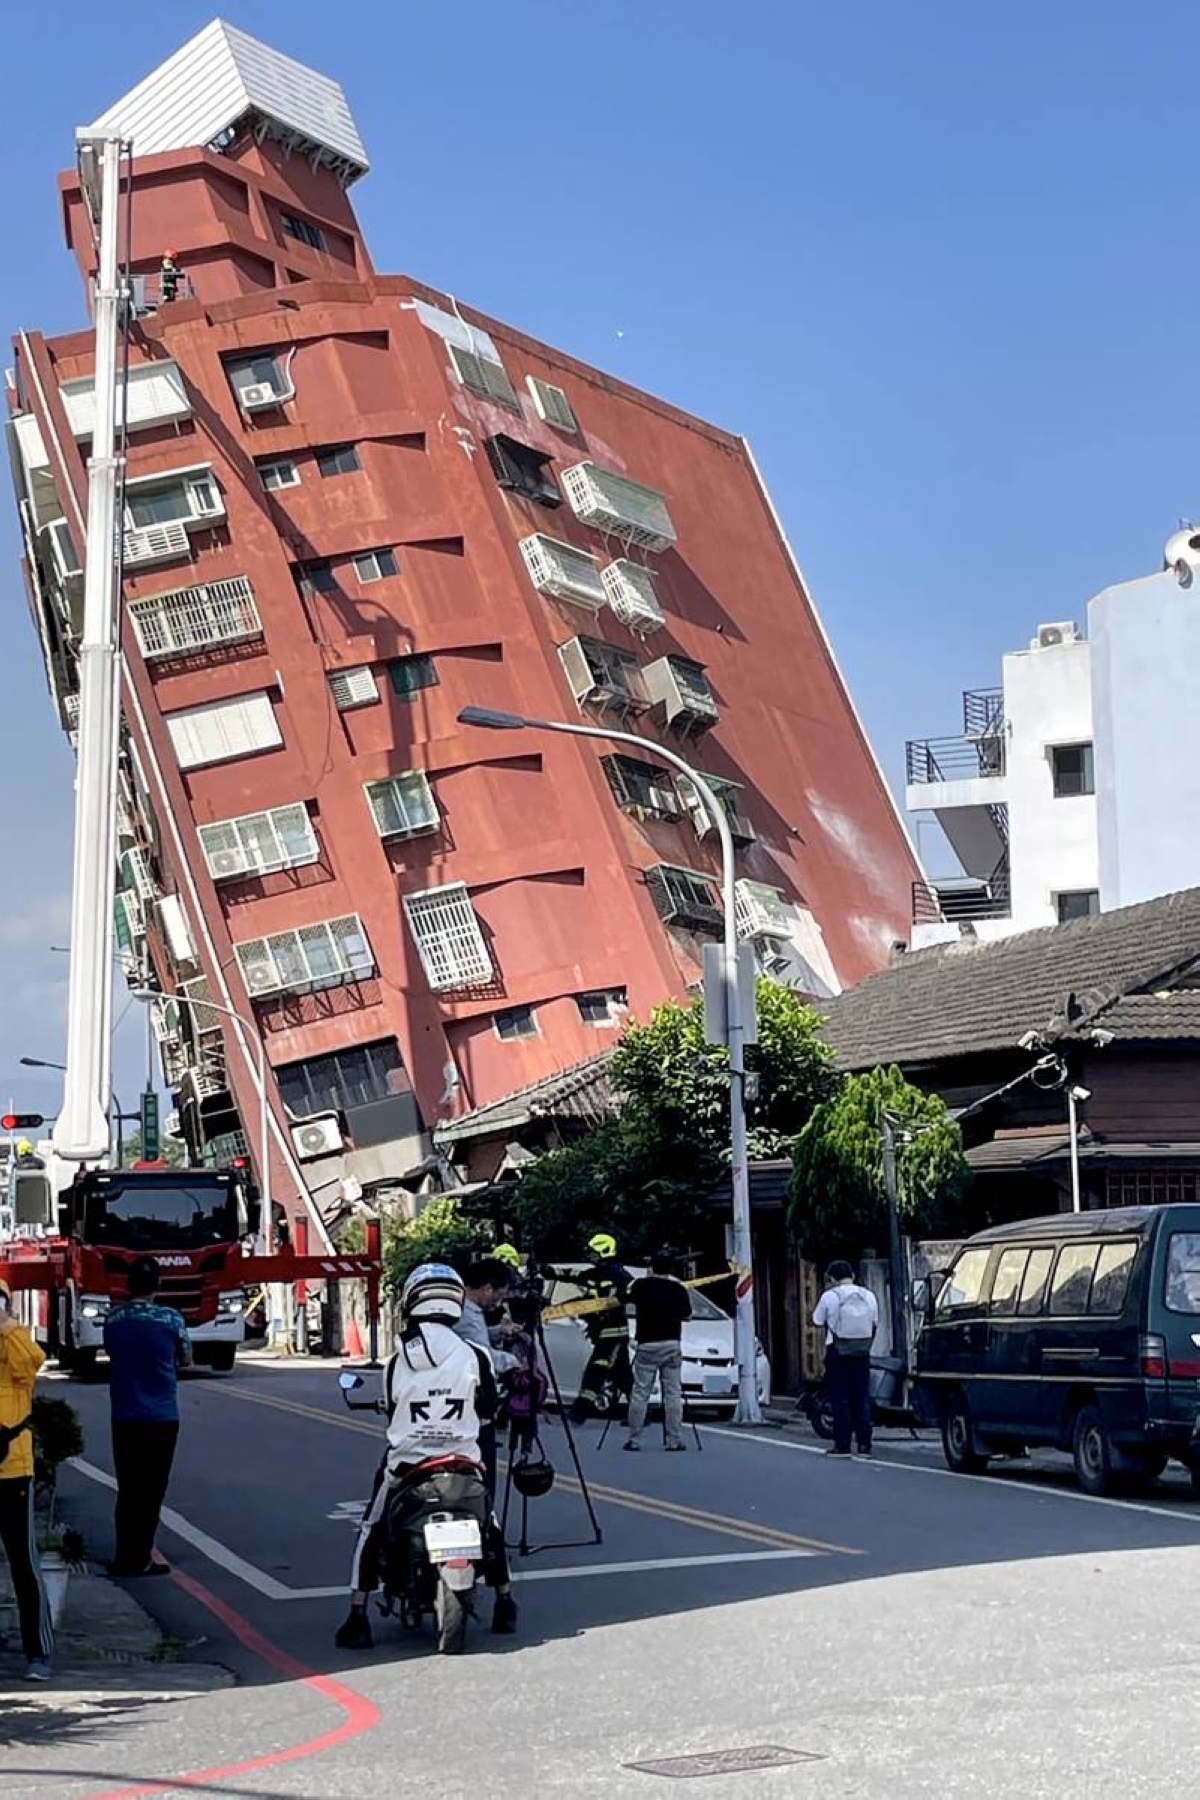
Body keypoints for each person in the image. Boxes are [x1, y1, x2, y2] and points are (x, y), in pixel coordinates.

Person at [336, 1263, 516, 1649]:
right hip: (464, 1461)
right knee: (492, 1523)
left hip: (407, 1466)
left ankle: (357, 1613)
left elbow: (391, 1407)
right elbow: (488, 1408)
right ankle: (505, 1602)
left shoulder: (397, 1360)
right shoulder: (476, 1356)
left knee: (371, 1525)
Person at [103, 1255, 191, 1576]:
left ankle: (124, 1555)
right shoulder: (171, 1320)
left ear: (128, 1285)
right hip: (162, 1417)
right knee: (152, 1491)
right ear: (158, 1284)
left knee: (127, 1488)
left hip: (124, 1415)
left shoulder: (114, 1320)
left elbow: (112, 1352)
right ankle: (141, 1556)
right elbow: (185, 1358)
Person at [0, 1279, 54, 1680]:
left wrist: (7, 1326)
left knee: (24, 1563)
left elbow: (32, 1363)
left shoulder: (14, 1345)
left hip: (13, 1468)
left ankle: (38, 1653)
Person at [455, 1257, 526, 1495]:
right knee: (484, 1479)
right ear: (487, 1288)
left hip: (458, 1404)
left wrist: (498, 1332)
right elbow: (482, 1358)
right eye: (499, 1294)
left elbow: (476, 1341)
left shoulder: (463, 1308)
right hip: (472, 1406)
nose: (499, 1301)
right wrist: (516, 1363)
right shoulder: (467, 1313)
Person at [624, 1249, 691, 1453]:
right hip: (671, 1344)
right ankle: (674, 1439)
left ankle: (634, 1439)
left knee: (640, 1392)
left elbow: (625, 1298)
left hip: (647, 1344)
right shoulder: (678, 1288)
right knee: (672, 1393)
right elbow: (687, 1315)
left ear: (651, 1267)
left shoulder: (641, 1286)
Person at [813, 1260, 879, 1458]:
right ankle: (865, 1444)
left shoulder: (829, 1296)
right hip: (862, 1351)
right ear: (853, 1275)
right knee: (861, 1397)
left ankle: (842, 1445)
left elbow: (816, 1320)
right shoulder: (869, 1296)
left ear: (832, 1279)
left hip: (838, 1351)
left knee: (840, 1398)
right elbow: (875, 1322)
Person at [568, 1233, 632, 1423]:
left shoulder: (619, 1274)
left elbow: (631, 1290)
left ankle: (581, 1409)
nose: (591, 1257)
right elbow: (573, 1276)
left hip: (614, 1332)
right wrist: (549, 1272)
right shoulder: (594, 1274)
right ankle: (639, 1412)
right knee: (623, 1374)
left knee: (597, 1368)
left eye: (594, 1253)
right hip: (601, 1332)